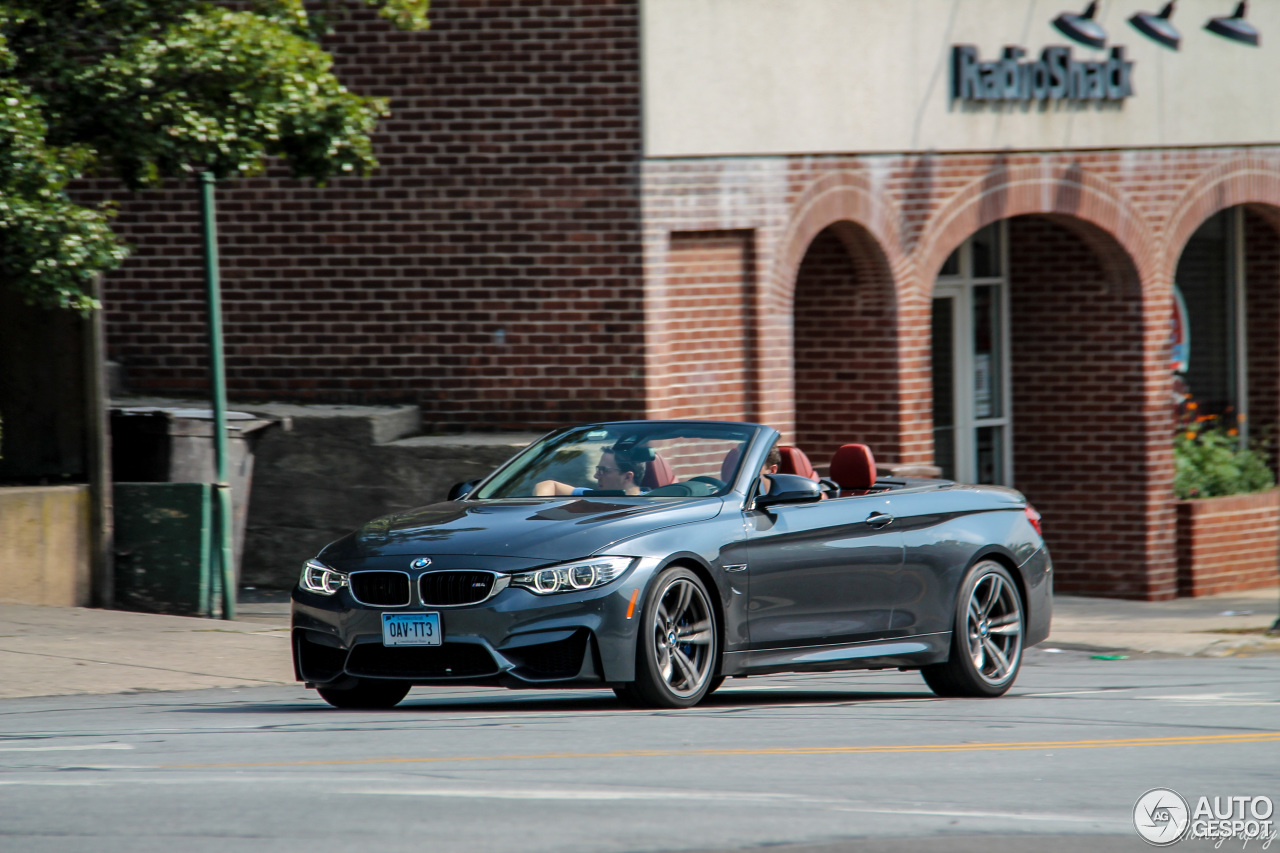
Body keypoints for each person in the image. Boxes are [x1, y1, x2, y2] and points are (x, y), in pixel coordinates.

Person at [534, 445, 648, 496]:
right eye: (598, 469)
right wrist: (541, 508)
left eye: (603, 470)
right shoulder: (591, 496)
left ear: (628, 477)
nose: (596, 476)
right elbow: (548, 485)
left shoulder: (652, 506)